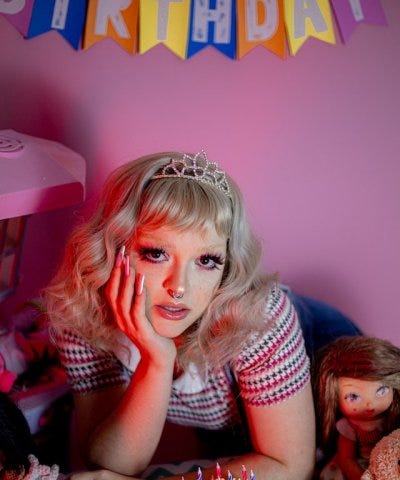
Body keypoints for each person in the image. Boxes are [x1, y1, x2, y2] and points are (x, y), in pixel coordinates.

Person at [45, 150, 322, 480]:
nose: (179, 287)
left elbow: (292, 466)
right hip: (233, 436)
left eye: (207, 261)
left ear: (227, 266)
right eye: (156, 253)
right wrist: (158, 360)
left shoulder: (261, 319)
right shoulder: (83, 314)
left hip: (341, 399)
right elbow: (110, 465)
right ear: (114, 247)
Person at [313, 335, 400, 480]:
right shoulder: (349, 426)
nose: (370, 404)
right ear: (334, 398)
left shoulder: (393, 416)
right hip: (363, 466)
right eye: (353, 397)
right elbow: (347, 459)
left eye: (381, 390)